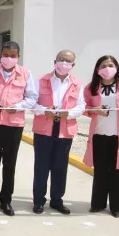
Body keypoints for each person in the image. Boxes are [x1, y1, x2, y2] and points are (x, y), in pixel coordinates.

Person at [0, 41, 38, 216]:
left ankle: (6, 201)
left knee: (9, 165)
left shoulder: (25, 73)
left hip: (14, 126)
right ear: (0, 55)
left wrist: (19, 106)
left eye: (13, 55)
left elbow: (32, 97)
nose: (9, 58)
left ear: (18, 57)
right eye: (5, 55)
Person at [83, 55, 119, 217]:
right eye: (103, 65)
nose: (107, 69)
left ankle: (116, 207)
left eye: (110, 65)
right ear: (97, 69)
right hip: (99, 134)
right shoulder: (91, 87)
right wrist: (94, 110)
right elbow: (84, 106)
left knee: (118, 172)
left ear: (116, 67)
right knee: (100, 171)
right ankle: (98, 203)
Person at [31, 50, 86, 215]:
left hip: (64, 130)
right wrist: (43, 110)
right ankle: (39, 201)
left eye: (68, 61)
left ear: (73, 65)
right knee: (41, 167)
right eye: (61, 60)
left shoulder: (77, 83)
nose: (64, 63)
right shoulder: (42, 80)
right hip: (44, 129)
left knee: (60, 168)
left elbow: (82, 106)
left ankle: (56, 200)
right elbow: (32, 102)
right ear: (55, 61)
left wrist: (68, 113)